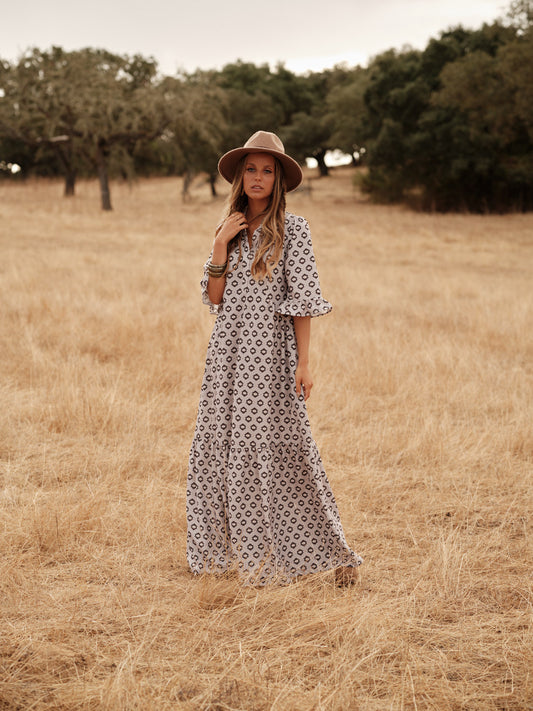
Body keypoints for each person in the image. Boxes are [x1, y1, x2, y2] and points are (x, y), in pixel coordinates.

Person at [186, 131, 363, 586]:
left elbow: (303, 301)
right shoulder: (228, 227)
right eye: (251, 169)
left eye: (267, 170)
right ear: (240, 176)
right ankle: (226, 556)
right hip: (227, 356)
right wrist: (220, 246)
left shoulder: (294, 230)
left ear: (278, 179)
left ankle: (330, 555)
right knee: (219, 449)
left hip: (271, 359)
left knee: (287, 453)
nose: (258, 177)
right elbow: (214, 298)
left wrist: (304, 363)